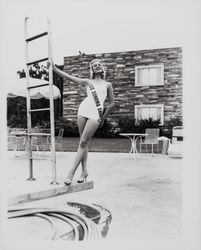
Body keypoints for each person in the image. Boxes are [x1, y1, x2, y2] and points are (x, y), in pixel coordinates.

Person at [48, 58, 114, 185]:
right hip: (83, 111)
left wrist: (103, 117)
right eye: (94, 65)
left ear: (102, 68)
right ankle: (84, 172)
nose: (97, 66)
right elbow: (68, 77)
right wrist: (55, 68)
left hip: (96, 114)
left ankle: (71, 173)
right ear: (92, 70)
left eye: (99, 64)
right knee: (83, 143)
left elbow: (112, 104)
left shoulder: (108, 85)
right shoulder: (87, 82)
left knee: (83, 142)